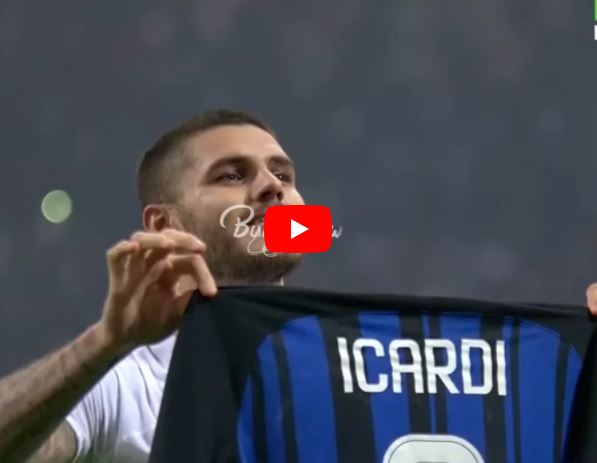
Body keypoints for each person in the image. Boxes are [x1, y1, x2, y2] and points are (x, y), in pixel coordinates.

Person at [0, 109, 305, 462]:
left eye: (283, 175)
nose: (273, 187)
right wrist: (104, 343)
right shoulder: (127, 385)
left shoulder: (349, 362)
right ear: (164, 224)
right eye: (232, 176)